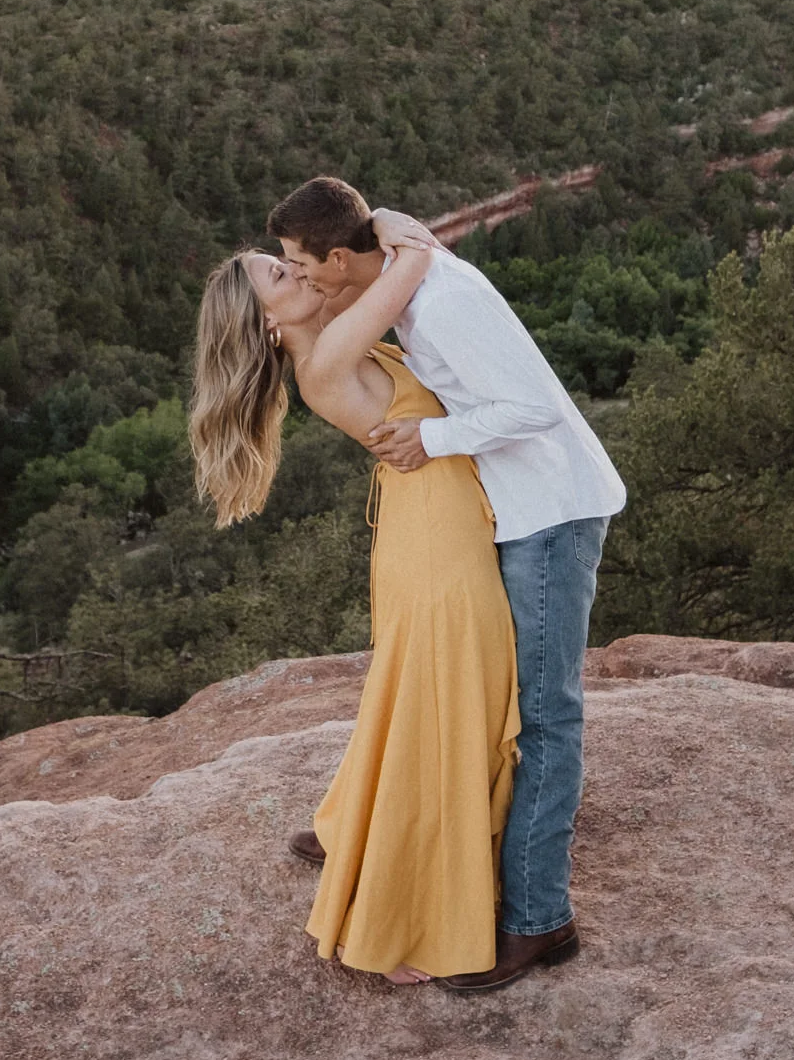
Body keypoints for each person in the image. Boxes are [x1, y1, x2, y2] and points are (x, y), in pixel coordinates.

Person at [265, 176, 626, 995]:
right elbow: (376, 254)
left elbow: (534, 406)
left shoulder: (443, 303)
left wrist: (434, 436)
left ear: (338, 259)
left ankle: (540, 918)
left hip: (549, 515)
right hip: (512, 510)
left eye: (301, 264)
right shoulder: (402, 279)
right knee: (486, 700)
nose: (301, 277)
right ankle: (379, 832)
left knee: (544, 716)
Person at [189, 230, 519, 985]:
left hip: (429, 527)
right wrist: (387, 227)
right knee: (443, 718)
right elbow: (414, 260)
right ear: (268, 321)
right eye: (281, 273)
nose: (299, 270)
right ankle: (398, 922)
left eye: (289, 260)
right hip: (436, 543)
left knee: (433, 708)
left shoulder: (331, 336)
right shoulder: (328, 357)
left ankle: (384, 847)